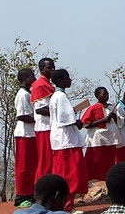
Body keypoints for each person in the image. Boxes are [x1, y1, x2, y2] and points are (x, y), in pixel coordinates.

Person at [49, 69, 89, 213]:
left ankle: (65, 205)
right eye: (67, 78)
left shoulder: (57, 96)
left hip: (62, 140)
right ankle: (67, 207)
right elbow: (66, 120)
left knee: (65, 173)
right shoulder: (60, 97)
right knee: (69, 174)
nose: (70, 80)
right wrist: (78, 122)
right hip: (66, 141)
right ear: (60, 81)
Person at [81, 86, 121, 181]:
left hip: (110, 138)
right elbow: (85, 124)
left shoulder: (112, 107)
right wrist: (103, 120)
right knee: (96, 161)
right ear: (97, 96)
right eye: (104, 94)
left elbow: (119, 122)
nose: (107, 95)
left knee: (109, 161)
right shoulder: (92, 108)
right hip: (97, 139)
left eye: (107, 93)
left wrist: (114, 117)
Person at [14, 68, 38, 208]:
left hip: (31, 134)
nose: (34, 79)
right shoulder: (23, 94)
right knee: (24, 166)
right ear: (25, 78)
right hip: (24, 134)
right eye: (31, 76)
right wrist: (38, 119)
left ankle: (30, 193)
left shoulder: (29, 93)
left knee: (31, 166)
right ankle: (21, 196)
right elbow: (22, 116)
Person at [31, 57, 55, 183]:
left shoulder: (48, 84)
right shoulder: (40, 85)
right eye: (49, 67)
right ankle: (40, 190)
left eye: (53, 67)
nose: (52, 69)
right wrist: (58, 113)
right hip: (45, 127)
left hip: (50, 126)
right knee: (45, 160)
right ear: (41, 69)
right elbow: (40, 109)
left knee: (51, 160)